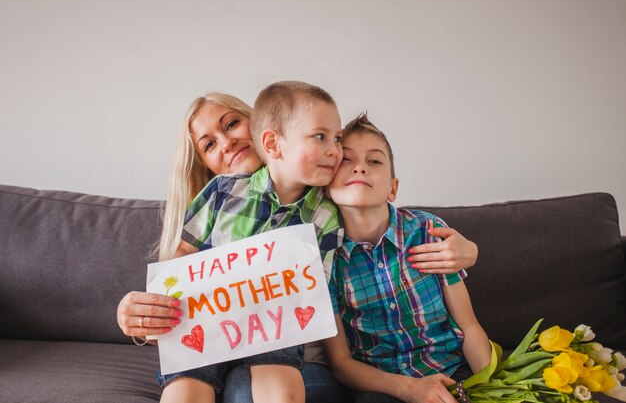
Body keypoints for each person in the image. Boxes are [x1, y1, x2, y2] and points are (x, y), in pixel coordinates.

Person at [116, 90, 478, 403]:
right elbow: (179, 268)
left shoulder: (327, 199)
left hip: (282, 341)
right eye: (209, 144)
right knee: (195, 376)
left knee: (247, 386)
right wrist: (142, 314)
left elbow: (376, 202)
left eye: (231, 125)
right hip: (212, 336)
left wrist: (466, 251)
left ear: (263, 130)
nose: (226, 143)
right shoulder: (219, 196)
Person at [323, 113, 491, 403]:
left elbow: (469, 326)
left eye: (374, 161)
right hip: (383, 386)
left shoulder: (427, 231)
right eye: (346, 160)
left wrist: (490, 386)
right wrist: (408, 388)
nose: (360, 168)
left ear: (393, 188)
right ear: (326, 185)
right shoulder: (326, 259)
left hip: (451, 369)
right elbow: (340, 363)